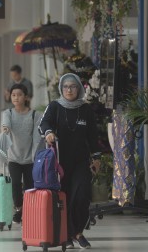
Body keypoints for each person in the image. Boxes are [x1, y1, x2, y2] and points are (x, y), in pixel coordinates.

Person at [39, 73, 101, 249]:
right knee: (64, 198)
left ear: (79, 88)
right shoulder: (55, 106)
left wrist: (96, 158)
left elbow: (93, 137)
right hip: (59, 162)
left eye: (73, 86)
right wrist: (49, 132)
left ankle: (75, 231)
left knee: (82, 194)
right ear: (61, 88)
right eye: (65, 86)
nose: (69, 90)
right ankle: (72, 234)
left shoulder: (86, 109)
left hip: (81, 161)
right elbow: (43, 124)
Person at [1, 83, 41, 223]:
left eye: (19, 95)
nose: (16, 98)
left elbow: (37, 138)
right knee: (16, 184)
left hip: (30, 158)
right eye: (13, 95)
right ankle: (19, 208)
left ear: (26, 97)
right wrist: (5, 128)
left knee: (30, 187)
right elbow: (6, 123)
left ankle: (27, 211)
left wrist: (35, 156)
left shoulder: (35, 115)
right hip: (14, 157)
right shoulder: (8, 113)